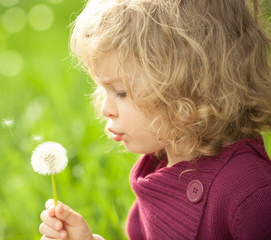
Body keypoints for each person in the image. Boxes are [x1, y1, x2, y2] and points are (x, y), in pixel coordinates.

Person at [39, 0, 271, 239]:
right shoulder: (159, 172)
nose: (105, 109)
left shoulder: (251, 196)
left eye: (120, 92)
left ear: (189, 87)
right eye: (103, 88)